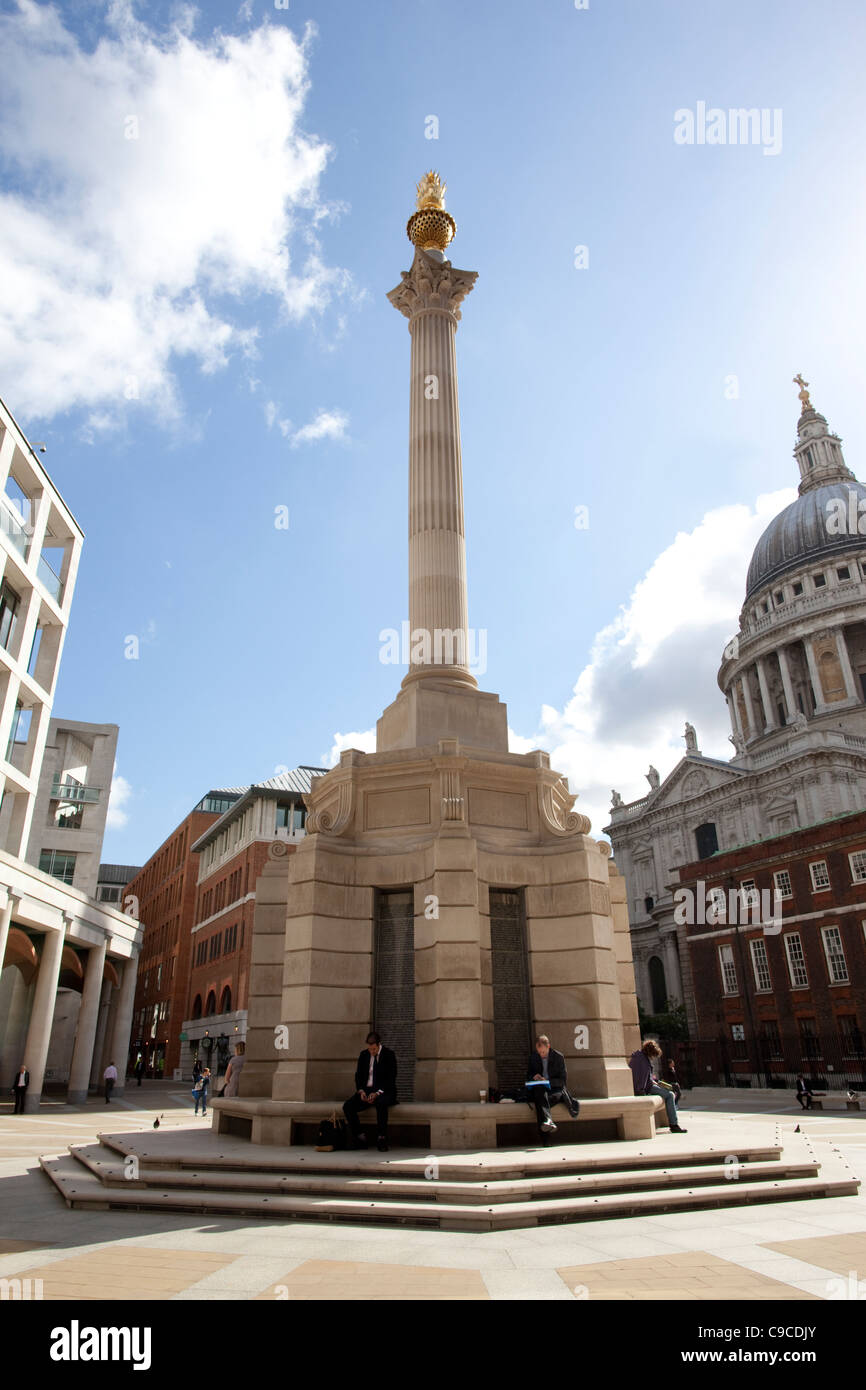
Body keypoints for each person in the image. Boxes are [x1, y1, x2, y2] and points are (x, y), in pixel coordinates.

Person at [343, 1031, 397, 1152]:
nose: (372, 1052)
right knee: (348, 1106)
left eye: (374, 1049)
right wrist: (361, 1091)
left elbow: (391, 1079)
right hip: (367, 1092)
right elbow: (358, 1076)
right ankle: (360, 1137)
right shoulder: (364, 1055)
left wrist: (377, 1093)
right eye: (370, 1049)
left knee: (381, 1104)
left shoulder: (389, 1055)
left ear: (379, 1045)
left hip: (384, 1092)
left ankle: (381, 1138)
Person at [629, 1039, 687, 1132]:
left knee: (670, 1093)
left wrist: (657, 1082)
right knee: (670, 1095)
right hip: (645, 1088)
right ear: (651, 1052)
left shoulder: (640, 1057)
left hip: (647, 1085)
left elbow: (645, 1077)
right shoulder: (643, 1061)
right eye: (654, 1055)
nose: (653, 1058)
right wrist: (642, 1093)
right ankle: (674, 1124)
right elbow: (641, 1080)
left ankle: (674, 1124)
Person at [526, 1035, 580, 1134]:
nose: (541, 1055)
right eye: (539, 1052)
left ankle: (546, 1133)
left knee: (540, 1103)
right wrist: (534, 1077)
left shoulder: (558, 1057)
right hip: (540, 1089)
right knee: (540, 1093)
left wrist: (548, 1080)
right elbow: (528, 1075)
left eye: (543, 1052)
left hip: (556, 1090)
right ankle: (549, 1121)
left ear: (548, 1047)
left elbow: (562, 1080)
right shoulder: (533, 1057)